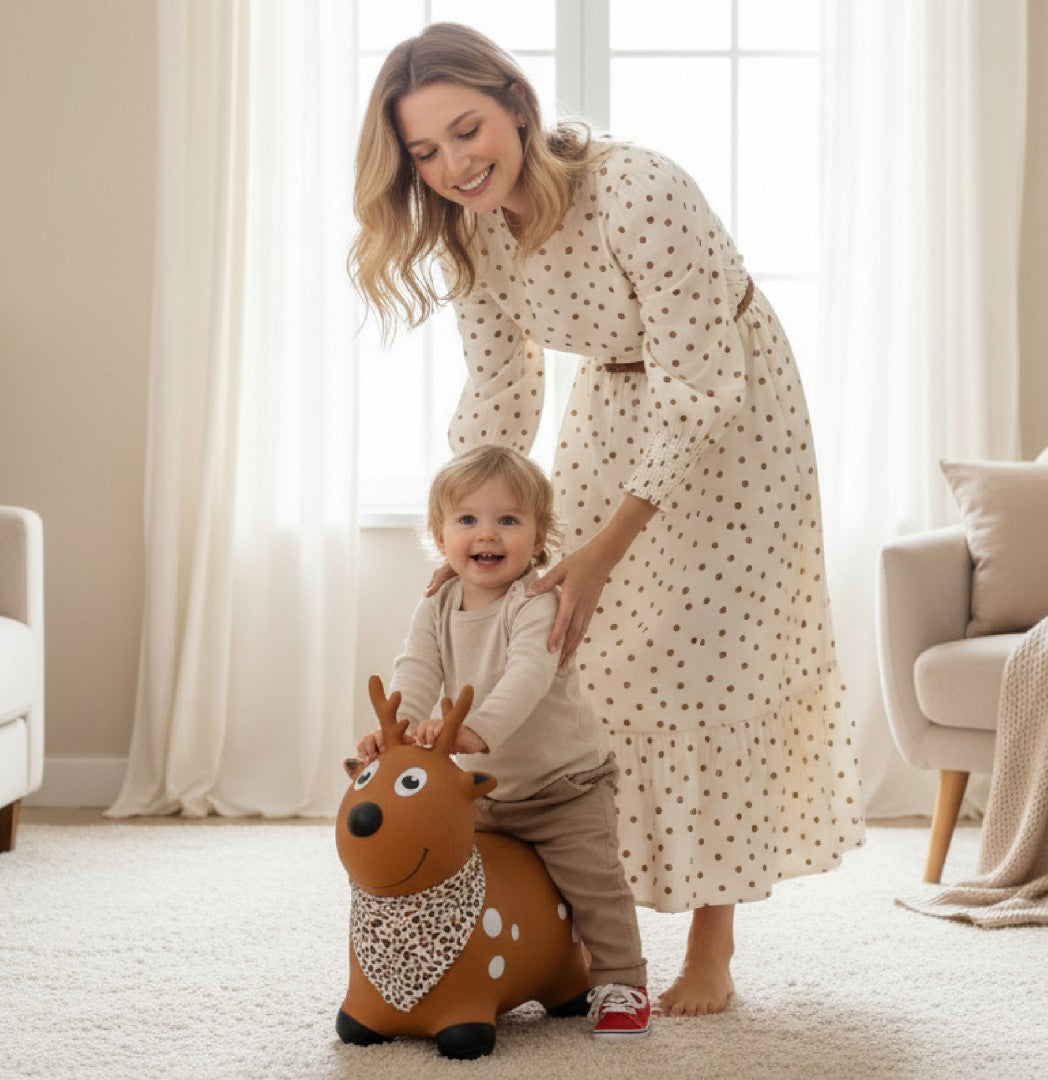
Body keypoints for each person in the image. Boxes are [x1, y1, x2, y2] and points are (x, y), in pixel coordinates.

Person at [350, 22, 865, 1018]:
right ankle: (589, 925)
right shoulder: (469, 231)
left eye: (469, 130)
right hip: (613, 407)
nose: (456, 164)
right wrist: (466, 539)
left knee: (709, 663)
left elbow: (696, 383)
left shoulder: (639, 190)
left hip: (730, 408)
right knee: (594, 653)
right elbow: (500, 386)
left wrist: (601, 550)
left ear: (515, 103)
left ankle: (711, 943)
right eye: (426, 151)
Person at [355, 445, 651, 1039]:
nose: (486, 533)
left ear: (539, 535)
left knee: (593, 881)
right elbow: (416, 667)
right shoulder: (438, 602)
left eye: (508, 520)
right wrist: (400, 732)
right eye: (467, 520)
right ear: (440, 536)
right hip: (487, 795)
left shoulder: (535, 602)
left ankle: (622, 980)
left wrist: (474, 731)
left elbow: (527, 677)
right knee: (461, 877)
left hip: (564, 785)